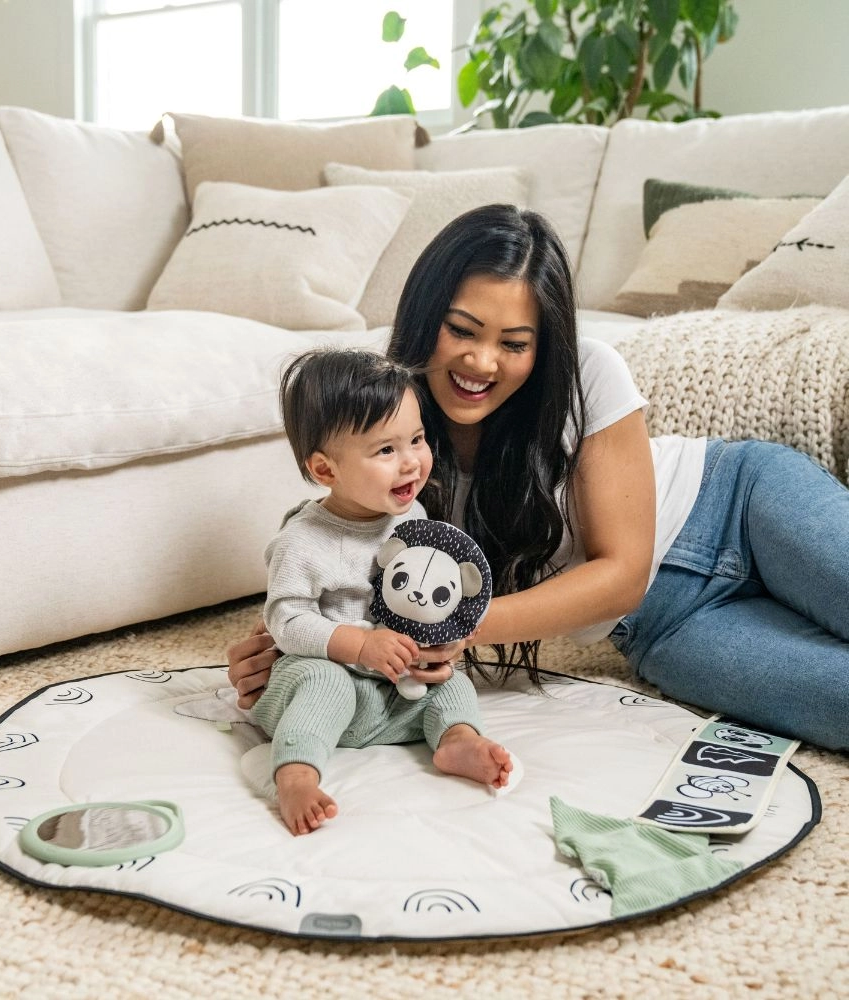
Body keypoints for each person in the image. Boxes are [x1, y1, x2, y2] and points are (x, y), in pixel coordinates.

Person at [230, 203, 849, 754]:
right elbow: (342, 570)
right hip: (665, 626)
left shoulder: (587, 375)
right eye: (462, 330)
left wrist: (460, 625)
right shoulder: (389, 430)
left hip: (739, 502)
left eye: (515, 343)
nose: (481, 362)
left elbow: (622, 571)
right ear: (425, 316)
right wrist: (284, 650)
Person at [254, 347, 513, 836]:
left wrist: (434, 646)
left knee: (450, 684)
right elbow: (286, 621)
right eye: (385, 451)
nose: (412, 462)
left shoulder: (412, 521)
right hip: (322, 683)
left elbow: (418, 599)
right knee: (324, 685)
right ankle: (296, 774)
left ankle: (456, 740)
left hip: (387, 691)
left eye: (416, 439)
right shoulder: (303, 541)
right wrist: (359, 644)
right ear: (326, 470)